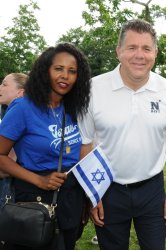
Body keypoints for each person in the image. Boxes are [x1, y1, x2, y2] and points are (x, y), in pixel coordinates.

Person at [78, 19, 166, 250]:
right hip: (108, 189)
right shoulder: (92, 89)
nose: (139, 55)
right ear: (119, 51)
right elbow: (85, 144)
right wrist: (94, 194)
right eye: (132, 47)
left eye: (146, 48)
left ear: (155, 53)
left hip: (152, 190)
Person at [0, 43, 91, 250]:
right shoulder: (24, 107)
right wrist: (39, 180)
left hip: (71, 198)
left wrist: (85, 198)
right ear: (45, 71)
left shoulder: (74, 108)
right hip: (34, 199)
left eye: (72, 71)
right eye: (58, 69)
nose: (65, 76)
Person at [0, 73, 28, 207]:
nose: (0, 87)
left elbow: (7, 165)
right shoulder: (7, 111)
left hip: (9, 188)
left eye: (4, 84)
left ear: (20, 93)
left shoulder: (19, 115)